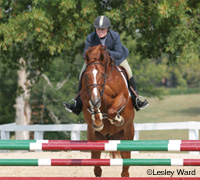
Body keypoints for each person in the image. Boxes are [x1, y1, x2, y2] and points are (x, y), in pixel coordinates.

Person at [64, 15, 149, 115]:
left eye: (102, 29)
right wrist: (93, 58)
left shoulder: (115, 36)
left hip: (116, 59)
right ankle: (77, 103)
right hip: (95, 62)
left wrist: (107, 53)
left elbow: (119, 53)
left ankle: (136, 99)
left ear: (107, 29)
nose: (100, 31)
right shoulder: (90, 38)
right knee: (82, 74)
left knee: (129, 72)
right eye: (98, 29)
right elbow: (84, 55)